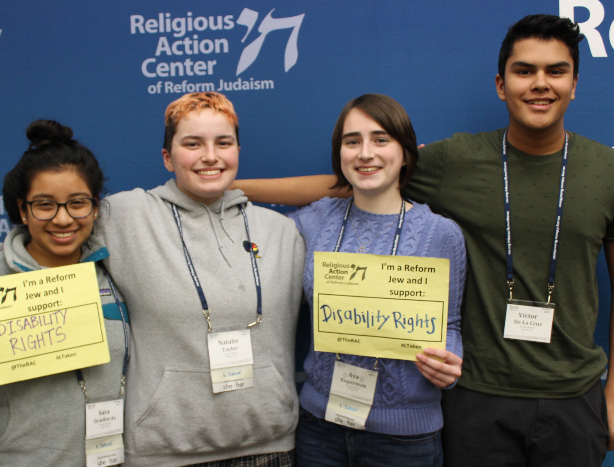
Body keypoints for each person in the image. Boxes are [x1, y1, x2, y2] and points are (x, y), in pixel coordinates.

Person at [232, 14, 614, 467]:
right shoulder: (457, 159)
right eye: (524, 70)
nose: (539, 84)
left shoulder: (606, 170)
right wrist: (232, 187)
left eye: (556, 71)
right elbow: (352, 180)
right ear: (500, 83)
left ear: (574, 83)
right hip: (477, 397)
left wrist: (612, 400)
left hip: (573, 397)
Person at [0, 92, 305, 467]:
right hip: (163, 450)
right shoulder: (123, 216)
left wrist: (242, 189)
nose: (210, 155)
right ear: (167, 157)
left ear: (238, 150)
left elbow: (347, 191)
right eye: (192, 144)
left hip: (268, 445)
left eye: (222, 143)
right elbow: (52, 230)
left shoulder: (282, 231)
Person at [0, 120, 130, 466]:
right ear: (22, 210)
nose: (63, 220)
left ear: (95, 207)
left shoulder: (118, 270)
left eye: (77, 203)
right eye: (45, 205)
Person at [281, 94, 465, 466]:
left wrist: (450, 362)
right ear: (340, 154)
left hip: (404, 439)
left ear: (406, 152)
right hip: (320, 430)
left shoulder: (440, 234)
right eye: (353, 141)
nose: (366, 153)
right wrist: (230, 185)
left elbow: (450, 325)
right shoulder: (313, 222)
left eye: (381, 140)